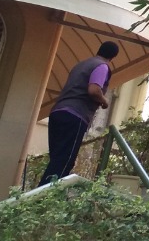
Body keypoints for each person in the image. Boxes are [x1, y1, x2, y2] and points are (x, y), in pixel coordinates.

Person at [37, 40, 117, 186]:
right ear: (113, 57)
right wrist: (104, 101)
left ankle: (39, 196)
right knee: (64, 160)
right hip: (75, 115)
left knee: (56, 158)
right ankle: (43, 199)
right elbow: (93, 90)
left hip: (57, 112)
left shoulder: (81, 65)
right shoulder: (102, 66)